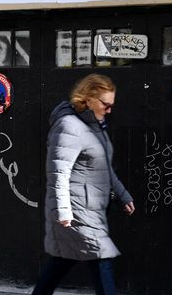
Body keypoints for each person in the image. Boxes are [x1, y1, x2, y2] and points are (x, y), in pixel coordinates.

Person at [32, 74, 135, 295]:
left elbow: (103, 168)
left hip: (90, 209)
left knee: (62, 261)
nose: (109, 110)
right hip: (76, 212)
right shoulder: (69, 126)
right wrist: (63, 212)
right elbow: (58, 173)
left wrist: (123, 195)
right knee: (101, 258)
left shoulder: (94, 126)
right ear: (87, 99)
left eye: (111, 105)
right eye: (105, 104)